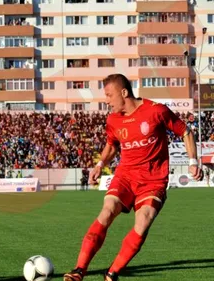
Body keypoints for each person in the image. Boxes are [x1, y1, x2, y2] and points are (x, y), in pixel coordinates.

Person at [63, 74, 203, 281]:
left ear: (124, 92)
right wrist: (100, 164)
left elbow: (185, 131)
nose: (107, 100)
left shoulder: (156, 110)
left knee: (143, 220)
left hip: (153, 180)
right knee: (107, 211)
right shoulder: (113, 119)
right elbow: (112, 145)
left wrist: (193, 161)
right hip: (125, 177)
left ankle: (112, 273)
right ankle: (79, 270)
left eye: (109, 95)